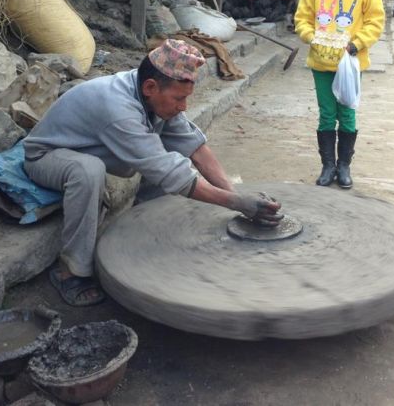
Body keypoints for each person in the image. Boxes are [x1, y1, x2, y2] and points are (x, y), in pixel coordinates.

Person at [23, 39, 282, 306]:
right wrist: (237, 204)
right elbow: (174, 175)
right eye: (179, 99)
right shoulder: (117, 108)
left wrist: (237, 195)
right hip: (47, 156)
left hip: (91, 148)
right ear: (150, 87)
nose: (183, 107)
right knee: (91, 171)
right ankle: (70, 271)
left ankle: (141, 235)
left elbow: (196, 149)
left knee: (161, 156)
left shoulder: (154, 95)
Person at [294, 0, 385, 189]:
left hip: (350, 64)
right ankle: (328, 166)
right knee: (326, 114)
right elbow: (302, 18)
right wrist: (313, 38)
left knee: (346, 114)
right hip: (321, 63)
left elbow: (375, 20)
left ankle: (344, 166)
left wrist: (356, 44)